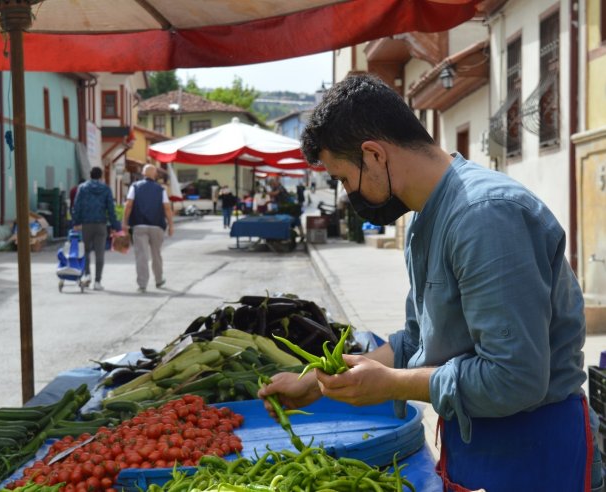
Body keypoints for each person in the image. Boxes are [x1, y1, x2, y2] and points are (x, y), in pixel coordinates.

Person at [258, 75, 602, 492]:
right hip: (477, 444)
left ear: (374, 154)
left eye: (345, 179)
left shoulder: (484, 216)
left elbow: (514, 377)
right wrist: (316, 383)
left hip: (536, 453)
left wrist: (393, 385)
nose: (349, 193)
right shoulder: (425, 218)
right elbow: (417, 341)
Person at [123, 164, 174, 293]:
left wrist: (124, 222)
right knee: (156, 254)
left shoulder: (134, 187)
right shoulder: (160, 189)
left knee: (142, 255)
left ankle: (142, 284)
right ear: (155, 174)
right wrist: (171, 225)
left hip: (139, 225)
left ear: (143, 174)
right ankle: (159, 279)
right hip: (157, 225)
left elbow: (128, 205)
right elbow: (167, 208)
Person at [71, 167, 121, 291]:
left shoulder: (82, 188)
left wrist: (76, 222)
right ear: (101, 176)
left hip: (86, 224)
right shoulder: (106, 189)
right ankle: (98, 282)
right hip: (101, 225)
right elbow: (111, 209)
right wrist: (115, 226)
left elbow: (77, 206)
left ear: (90, 175)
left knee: (86, 251)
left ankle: (87, 276)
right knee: (100, 253)